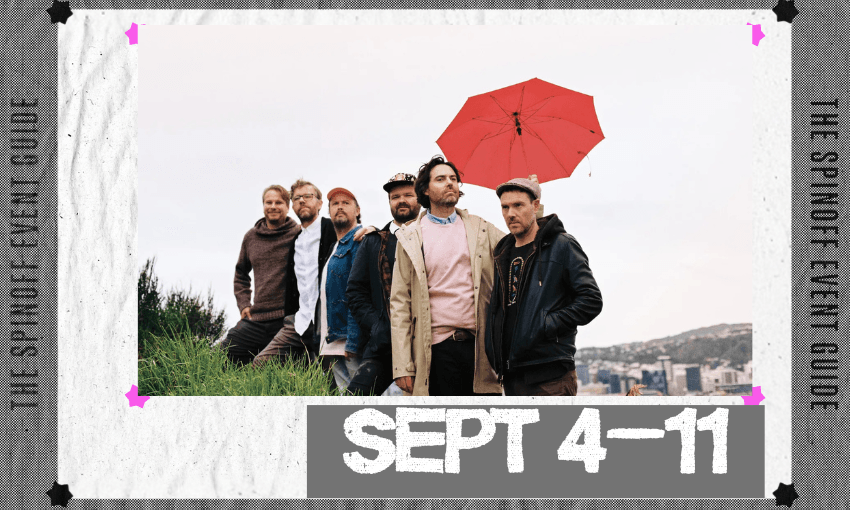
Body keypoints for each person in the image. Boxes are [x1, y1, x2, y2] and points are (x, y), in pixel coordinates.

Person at [389, 156, 505, 396]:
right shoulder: (410, 237)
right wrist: (402, 365)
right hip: (435, 349)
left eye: (453, 179)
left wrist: (533, 202)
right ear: (425, 190)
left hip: (480, 349)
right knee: (441, 427)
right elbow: (400, 303)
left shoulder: (480, 227)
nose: (450, 183)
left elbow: (520, 245)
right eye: (441, 179)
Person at [484, 178, 603, 396]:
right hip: (511, 376)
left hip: (550, 376)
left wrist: (546, 324)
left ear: (535, 206)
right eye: (505, 207)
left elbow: (591, 300)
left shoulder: (561, 245)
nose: (510, 213)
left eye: (518, 205)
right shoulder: (503, 252)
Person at [253, 179, 370, 372]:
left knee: (334, 382)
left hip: (327, 320)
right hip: (298, 321)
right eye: (297, 198)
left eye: (308, 196)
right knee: (261, 363)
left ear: (320, 203)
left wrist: (372, 230)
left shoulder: (333, 230)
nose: (302, 201)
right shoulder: (296, 239)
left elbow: (356, 231)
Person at [346, 173, 420, 396]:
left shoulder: (431, 238)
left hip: (426, 343)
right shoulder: (373, 241)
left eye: (408, 194)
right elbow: (355, 290)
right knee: (352, 400)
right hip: (384, 345)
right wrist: (377, 326)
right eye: (395, 196)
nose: (401, 200)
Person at [222, 185, 300, 366]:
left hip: (287, 319)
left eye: (278, 202)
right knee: (223, 355)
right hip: (256, 319)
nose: (273, 206)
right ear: (263, 205)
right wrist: (243, 304)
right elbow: (241, 272)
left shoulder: (298, 234)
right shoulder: (251, 237)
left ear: (287, 207)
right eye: (268, 202)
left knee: (283, 369)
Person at [317, 187, 365, 391]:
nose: (340, 207)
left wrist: (353, 341)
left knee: (366, 395)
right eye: (335, 204)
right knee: (347, 398)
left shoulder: (359, 240)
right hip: (333, 339)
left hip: (348, 340)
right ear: (329, 212)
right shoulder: (335, 247)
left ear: (357, 210)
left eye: (346, 203)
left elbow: (358, 294)